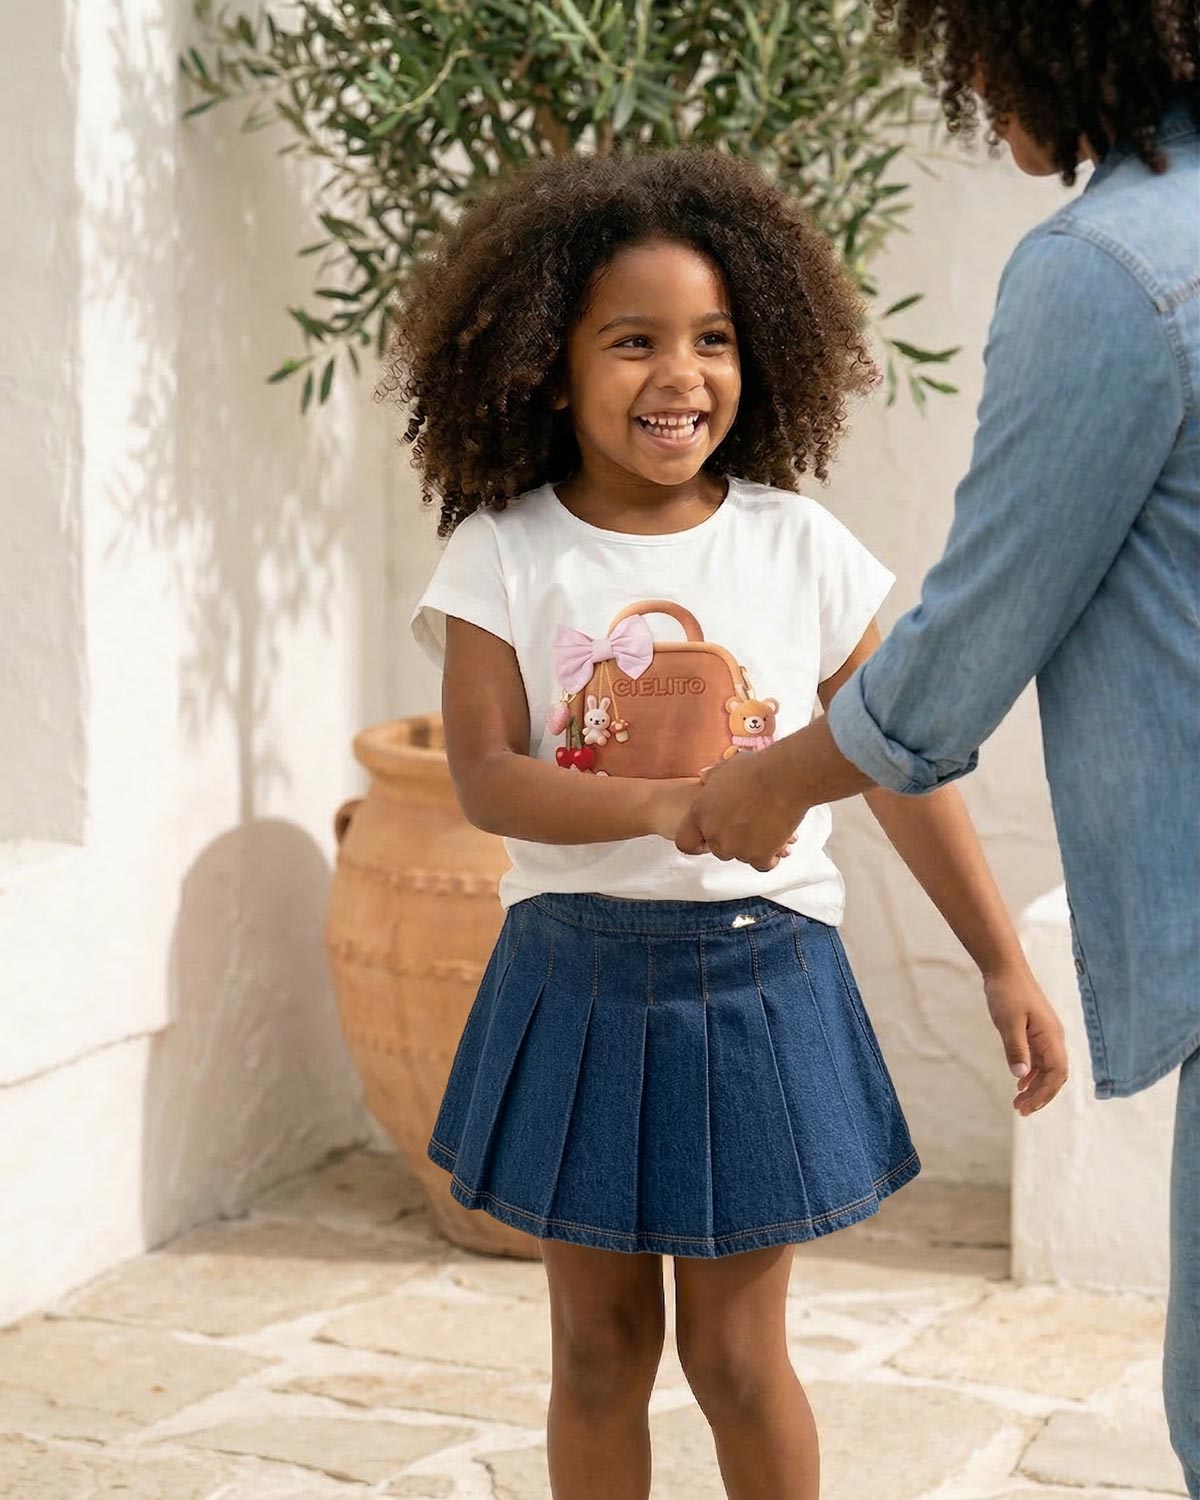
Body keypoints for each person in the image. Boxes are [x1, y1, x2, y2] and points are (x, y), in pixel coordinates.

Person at [393, 150, 1067, 1500]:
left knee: (738, 1359)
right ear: (548, 362)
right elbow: (484, 775)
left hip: (758, 980)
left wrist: (1000, 958)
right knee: (595, 1347)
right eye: (632, 342)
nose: (680, 377)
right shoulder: (505, 553)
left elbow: (900, 763)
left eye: (712, 341)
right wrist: (680, 803)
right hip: (572, 976)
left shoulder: (800, 548)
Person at [673, 4, 1200, 1492]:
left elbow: (965, 646)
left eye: (972, 45)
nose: (968, 85)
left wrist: (766, 784)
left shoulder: (1113, 271)